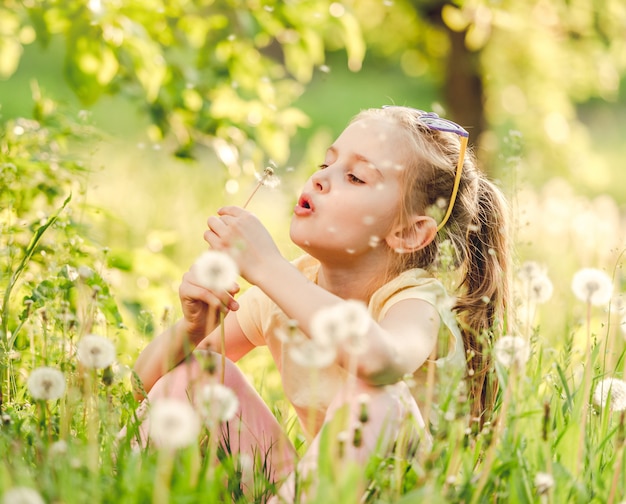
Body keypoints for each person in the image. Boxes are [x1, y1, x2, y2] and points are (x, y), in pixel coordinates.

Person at [131, 106, 510, 501]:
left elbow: (379, 364)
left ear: (410, 232)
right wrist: (192, 329)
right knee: (201, 376)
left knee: (379, 395)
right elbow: (145, 389)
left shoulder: (417, 302)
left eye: (355, 177)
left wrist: (268, 266)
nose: (320, 178)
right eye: (324, 163)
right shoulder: (289, 290)